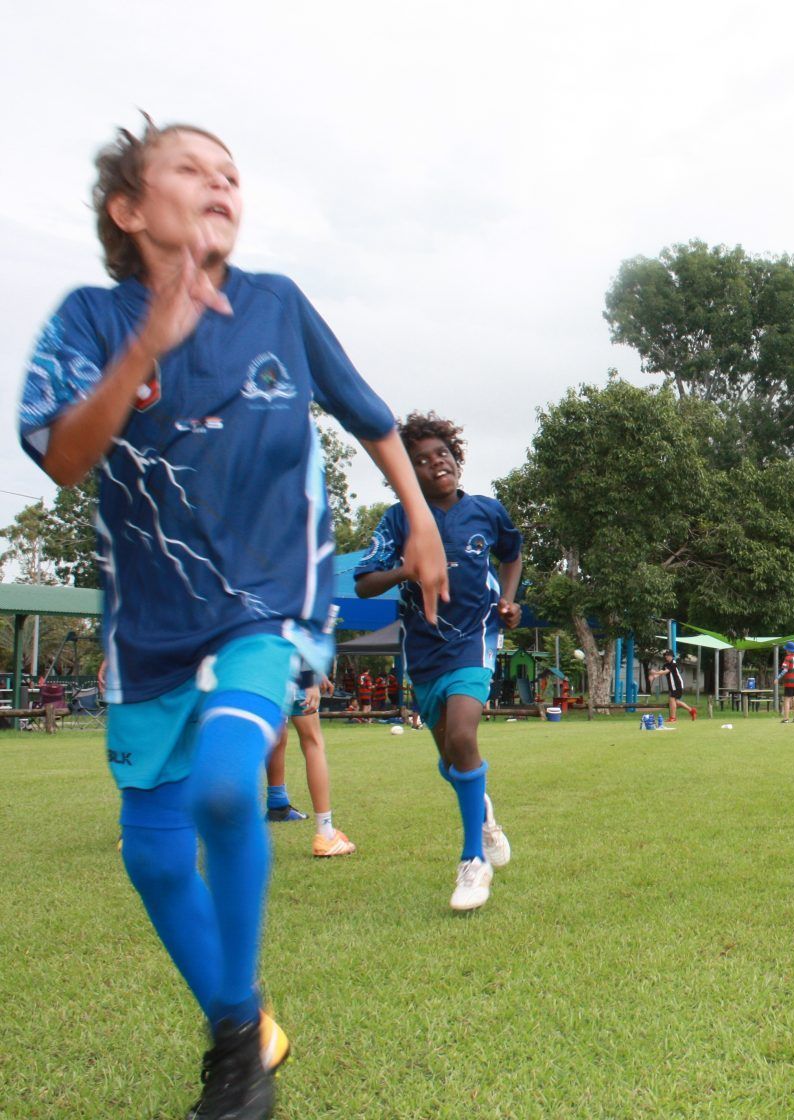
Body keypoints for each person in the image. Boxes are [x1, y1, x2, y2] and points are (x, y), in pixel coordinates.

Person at [17, 116, 445, 1120]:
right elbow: (63, 454)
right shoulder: (85, 321)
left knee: (225, 787)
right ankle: (245, 1016)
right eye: (191, 169)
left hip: (270, 606)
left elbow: (374, 418)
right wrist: (147, 347)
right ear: (129, 208)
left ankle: (233, 1059)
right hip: (147, 630)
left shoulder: (279, 307)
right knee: (154, 852)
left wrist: (417, 519)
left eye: (233, 174)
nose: (222, 185)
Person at [355, 411, 520, 912]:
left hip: (475, 638)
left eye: (442, 455)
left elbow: (512, 554)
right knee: (451, 758)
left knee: (464, 737)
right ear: (407, 471)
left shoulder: (487, 512)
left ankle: (474, 861)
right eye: (421, 462)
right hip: (424, 648)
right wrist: (406, 568)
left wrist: (509, 601)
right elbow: (364, 582)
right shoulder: (399, 520)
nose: (435, 465)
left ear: (457, 458)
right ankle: (484, 815)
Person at [264, 669, 356, 857]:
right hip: (295, 669)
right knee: (313, 741)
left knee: (275, 735)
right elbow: (299, 639)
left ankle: (278, 805)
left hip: (265, 669)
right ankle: (326, 835)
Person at [649, 648, 698, 722]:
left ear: (672, 656)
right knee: (675, 702)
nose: (666, 656)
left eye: (668, 655)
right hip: (673, 686)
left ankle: (673, 718)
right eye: (666, 655)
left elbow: (665, 672)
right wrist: (653, 676)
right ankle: (691, 710)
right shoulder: (666, 664)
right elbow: (661, 671)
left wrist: (655, 672)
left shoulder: (673, 663)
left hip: (677, 685)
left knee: (672, 699)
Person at [777, 641, 794, 723]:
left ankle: (786, 719)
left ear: (788, 650)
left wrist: (778, 678)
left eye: (786, 649)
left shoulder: (788, 658)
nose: (785, 651)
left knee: (787, 699)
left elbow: (784, 670)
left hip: (789, 682)